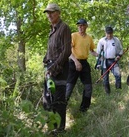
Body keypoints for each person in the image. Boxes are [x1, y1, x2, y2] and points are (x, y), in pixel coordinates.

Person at [42, 3, 71, 131]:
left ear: (58, 13)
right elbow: (52, 50)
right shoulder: (52, 30)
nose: (49, 15)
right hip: (50, 67)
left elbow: (66, 51)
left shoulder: (64, 28)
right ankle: (52, 127)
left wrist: (53, 68)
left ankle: (59, 130)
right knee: (47, 99)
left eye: (52, 12)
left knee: (59, 100)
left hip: (60, 68)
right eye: (47, 13)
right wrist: (45, 60)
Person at [66, 19, 98, 112]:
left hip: (84, 63)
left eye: (82, 25)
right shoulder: (73, 36)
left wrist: (99, 55)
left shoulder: (89, 38)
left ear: (86, 26)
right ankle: (61, 108)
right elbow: (68, 50)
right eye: (79, 25)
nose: (80, 27)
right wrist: (76, 62)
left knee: (88, 87)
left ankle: (84, 109)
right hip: (73, 63)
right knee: (69, 87)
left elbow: (92, 51)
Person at [96, 26, 123, 95]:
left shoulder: (116, 40)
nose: (109, 35)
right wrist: (98, 63)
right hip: (104, 62)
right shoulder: (101, 41)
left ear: (112, 33)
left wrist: (118, 56)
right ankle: (108, 93)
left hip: (114, 60)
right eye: (108, 33)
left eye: (111, 33)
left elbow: (121, 50)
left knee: (118, 75)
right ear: (105, 33)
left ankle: (118, 91)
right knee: (105, 78)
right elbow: (98, 53)